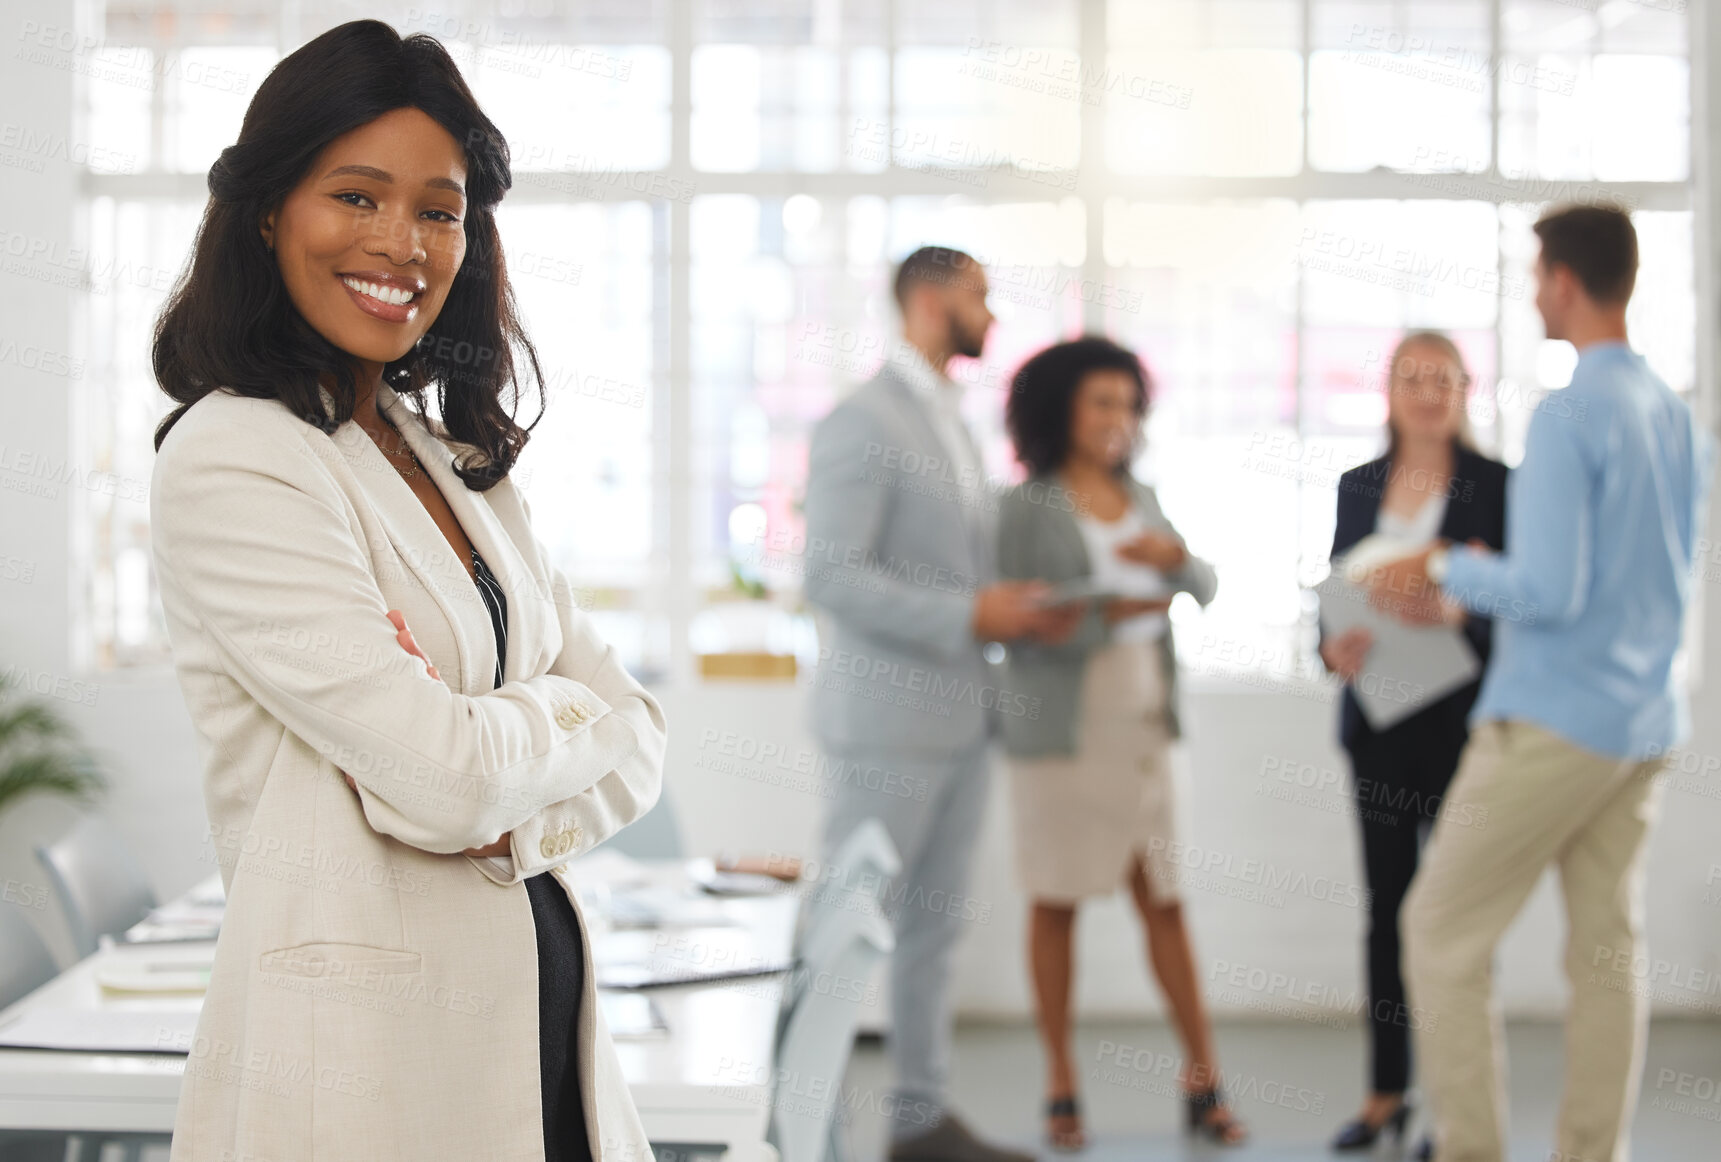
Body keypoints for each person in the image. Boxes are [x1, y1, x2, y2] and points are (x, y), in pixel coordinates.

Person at [148, 22, 667, 1162]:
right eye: (356, 195)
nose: (402, 241)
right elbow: (441, 779)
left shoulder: (442, 455)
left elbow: (639, 737)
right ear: (271, 209)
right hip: (369, 1074)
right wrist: (524, 734)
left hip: (541, 1046)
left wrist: (497, 770)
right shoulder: (238, 456)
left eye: (438, 209)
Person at [1367, 204, 1713, 1162]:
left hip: (1554, 723)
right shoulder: (1676, 415)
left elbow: (1547, 591)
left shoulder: (1568, 413)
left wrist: (1443, 565)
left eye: (1534, 276)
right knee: (1607, 953)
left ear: (1562, 280)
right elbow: (1663, 573)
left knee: (1435, 930)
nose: (1531, 293)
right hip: (1642, 723)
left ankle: (1469, 1150)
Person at [802, 246, 1079, 1162]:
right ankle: (807, 1128)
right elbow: (832, 576)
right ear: (928, 300)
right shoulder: (860, 421)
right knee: (844, 937)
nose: (991, 316)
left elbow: (954, 563)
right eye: (978, 297)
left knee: (933, 932)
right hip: (884, 729)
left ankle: (918, 1119)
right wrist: (971, 612)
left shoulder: (952, 423)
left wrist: (1019, 601)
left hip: (963, 720)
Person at [996, 337, 1243, 1150]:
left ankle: (1202, 1078)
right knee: (1056, 900)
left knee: (1165, 901)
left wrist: (1173, 560)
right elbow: (1022, 628)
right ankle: (1060, 1082)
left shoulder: (1141, 496)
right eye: (1100, 401)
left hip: (1143, 728)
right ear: (1060, 408)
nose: (1116, 419)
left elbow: (1200, 584)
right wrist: (1112, 613)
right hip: (1063, 731)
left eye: (1127, 404)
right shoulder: (1027, 507)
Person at [1317, 333, 1508, 1154]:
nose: (1427, 394)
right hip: (1378, 724)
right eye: (1410, 379)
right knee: (1385, 914)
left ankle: (1453, 1105)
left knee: (1458, 919)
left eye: (1442, 379)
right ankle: (1384, 1092)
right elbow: (1331, 595)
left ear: (1465, 390)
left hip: (1464, 723)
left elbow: (1524, 598)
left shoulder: (1498, 486)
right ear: (1387, 392)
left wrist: (1460, 608)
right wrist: (1332, 647)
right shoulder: (1357, 487)